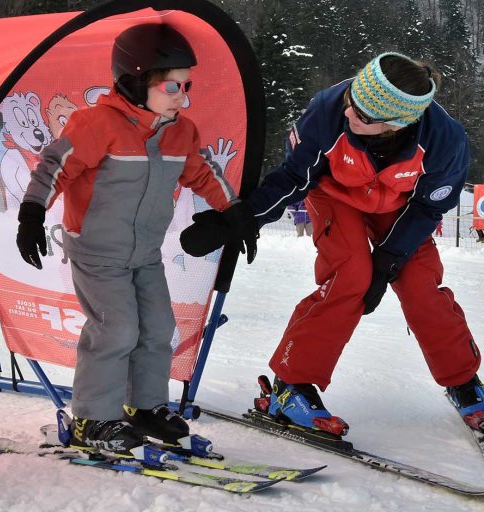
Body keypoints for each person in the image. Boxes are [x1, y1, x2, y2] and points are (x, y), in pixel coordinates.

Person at [180, 52, 484, 437]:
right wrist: (239, 220)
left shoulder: (445, 141)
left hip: (403, 208)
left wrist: (388, 259)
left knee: (420, 283)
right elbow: (292, 178)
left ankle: (463, 381)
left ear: (396, 125)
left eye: (364, 116)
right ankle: (291, 385)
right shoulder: (327, 111)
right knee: (351, 274)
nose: (350, 114)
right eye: (351, 101)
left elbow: (428, 207)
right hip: (335, 197)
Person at [15, 23, 251, 458]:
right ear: (135, 83)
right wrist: (31, 214)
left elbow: (201, 172)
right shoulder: (98, 124)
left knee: (159, 328)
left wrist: (234, 211)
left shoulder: (182, 131)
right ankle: (92, 417)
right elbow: (53, 166)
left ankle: (144, 408)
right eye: (174, 86)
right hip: (97, 250)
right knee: (115, 328)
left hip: (144, 252)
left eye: (188, 85)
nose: (184, 96)